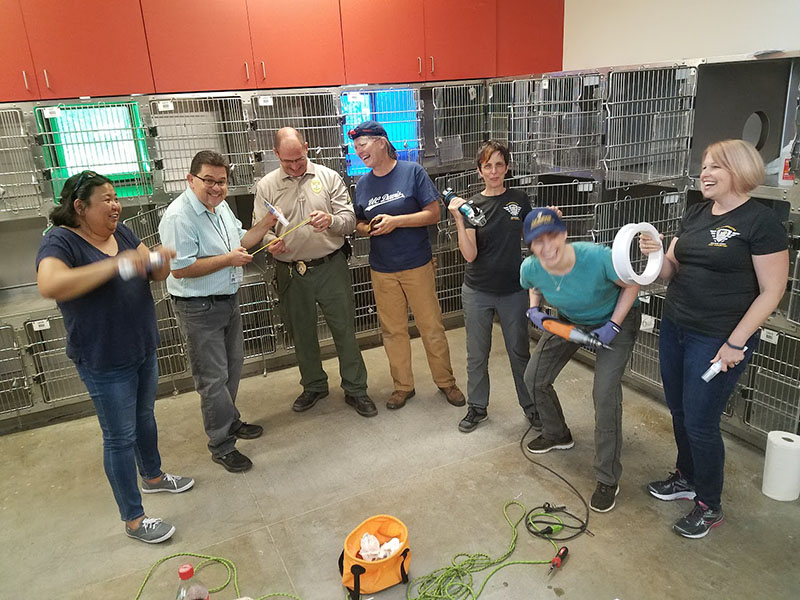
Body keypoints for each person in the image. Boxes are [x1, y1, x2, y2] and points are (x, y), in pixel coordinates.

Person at [640, 139, 788, 538]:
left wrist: (737, 342)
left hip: (718, 338)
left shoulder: (760, 222)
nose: (704, 173)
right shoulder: (695, 213)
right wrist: (656, 253)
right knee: (680, 410)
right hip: (676, 326)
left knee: (702, 421)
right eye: (704, 166)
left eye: (715, 167)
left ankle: (709, 504)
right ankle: (686, 477)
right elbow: (670, 270)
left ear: (739, 171)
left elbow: (772, 291)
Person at [36, 171, 193, 544]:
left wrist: (159, 260)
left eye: (115, 197)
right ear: (79, 207)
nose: (115, 205)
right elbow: (50, 284)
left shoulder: (119, 232)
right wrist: (113, 265)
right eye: (105, 199)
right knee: (119, 436)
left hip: (140, 346)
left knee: (144, 419)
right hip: (103, 358)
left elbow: (151, 271)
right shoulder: (61, 241)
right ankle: (134, 519)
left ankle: (153, 476)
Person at [158, 151, 277, 473]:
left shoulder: (219, 206)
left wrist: (267, 224)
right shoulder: (179, 217)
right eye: (208, 180)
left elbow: (241, 240)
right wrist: (228, 260)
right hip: (198, 307)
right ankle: (221, 445)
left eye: (221, 182)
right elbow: (180, 270)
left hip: (226, 299)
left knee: (232, 370)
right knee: (212, 380)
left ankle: (231, 421)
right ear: (191, 179)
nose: (216, 187)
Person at [520, 207, 641, 513]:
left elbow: (632, 284)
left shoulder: (596, 257)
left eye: (551, 237)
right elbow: (535, 284)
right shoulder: (530, 267)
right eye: (537, 241)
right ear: (530, 245)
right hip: (570, 321)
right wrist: (535, 307)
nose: (546, 247)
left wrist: (613, 325)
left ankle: (607, 478)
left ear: (564, 234)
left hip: (615, 321)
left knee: (604, 395)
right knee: (534, 377)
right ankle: (557, 433)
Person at [253, 127, 374, 417]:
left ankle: (356, 388)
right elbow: (260, 229)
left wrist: (330, 219)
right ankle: (314, 385)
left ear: (307, 147)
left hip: (330, 265)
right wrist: (271, 243)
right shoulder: (267, 186)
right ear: (276, 155)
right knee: (302, 332)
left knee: (344, 328)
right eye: (288, 162)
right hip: (292, 272)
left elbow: (348, 222)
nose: (295, 166)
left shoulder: (329, 177)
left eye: (299, 158)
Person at [350, 120, 465, 410]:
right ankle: (403, 386)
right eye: (355, 146)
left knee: (431, 326)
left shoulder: (412, 172)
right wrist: (368, 229)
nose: (358, 150)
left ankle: (446, 382)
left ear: (381, 142)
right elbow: (358, 222)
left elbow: (433, 213)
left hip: (416, 263)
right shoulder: (362, 184)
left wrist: (396, 222)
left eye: (363, 144)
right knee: (392, 330)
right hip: (382, 268)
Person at [446, 140, 537, 432]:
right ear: (479, 170)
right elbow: (469, 254)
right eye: (488, 166)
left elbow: (534, 240)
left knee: (519, 351)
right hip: (478, 290)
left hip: (513, 290)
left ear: (507, 168)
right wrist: (459, 220)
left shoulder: (520, 200)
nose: (494, 171)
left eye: (499, 164)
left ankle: (532, 406)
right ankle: (477, 407)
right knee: (477, 352)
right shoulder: (473, 207)